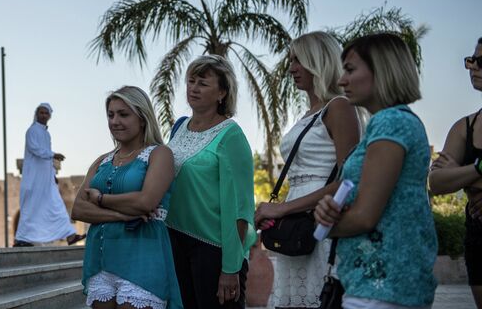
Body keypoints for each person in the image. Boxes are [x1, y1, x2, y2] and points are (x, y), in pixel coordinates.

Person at [315, 33, 437, 309]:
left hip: (383, 285)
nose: (341, 80)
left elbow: (365, 216)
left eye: (350, 69)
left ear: (382, 69)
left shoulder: (391, 122)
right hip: (380, 283)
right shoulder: (388, 123)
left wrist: (322, 225)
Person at [254, 32, 360, 309]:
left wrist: (281, 209)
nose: (291, 68)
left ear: (318, 61)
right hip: (298, 219)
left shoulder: (340, 106)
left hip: (322, 218)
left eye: (298, 59)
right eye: (291, 60)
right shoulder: (309, 113)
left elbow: (349, 178)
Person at [72, 86, 182, 309]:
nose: (115, 121)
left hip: (143, 255)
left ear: (142, 118)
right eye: (110, 115)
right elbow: (78, 210)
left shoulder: (159, 154)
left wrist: (100, 199)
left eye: (123, 114)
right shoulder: (101, 160)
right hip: (100, 258)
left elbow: (146, 202)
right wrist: (122, 215)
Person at [165, 54, 255, 309]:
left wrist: (230, 268)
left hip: (213, 249)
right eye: (191, 81)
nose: (193, 88)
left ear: (222, 93)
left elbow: (241, 207)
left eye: (203, 83)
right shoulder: (179, 127)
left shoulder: (231, 135)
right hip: (174, 240)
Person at [428, 37, 482, 309]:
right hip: (478, 233)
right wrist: (478, 168)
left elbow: (451, 177)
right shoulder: (465, 127)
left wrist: (464, 175)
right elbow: (437, 182)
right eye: (470, 60)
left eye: (479, 61)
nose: (472, 67)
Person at [14, 103, 84, 246]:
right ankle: (21, 239)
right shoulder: (32, 131)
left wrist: (52, 175)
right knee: (30, 207)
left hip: (46, 181)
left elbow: (45, 160)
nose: (43, 115)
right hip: (34, 180)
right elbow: (35, 149)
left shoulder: (46, 134)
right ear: (36, 114)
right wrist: (53, 155)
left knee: (56, 205)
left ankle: (70, 236)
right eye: (41, 112)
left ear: (50, 116)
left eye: (46, 113)